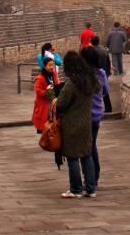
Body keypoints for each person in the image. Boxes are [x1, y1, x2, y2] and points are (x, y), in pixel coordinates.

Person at [55, 51, 99, 198]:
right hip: (86, 122)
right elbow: (99, 89)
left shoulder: (71, 84)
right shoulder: (90, 80)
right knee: (86, 155)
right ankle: (91, 188)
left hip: (71, 124)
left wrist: (55, 100)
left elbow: (61, 105)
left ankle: (75, 189)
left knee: (73, 157)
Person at [80, 47, 109, 185]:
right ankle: (94, 176)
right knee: (92, 146)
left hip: (85, 116)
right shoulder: (101, 73)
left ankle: (90, 179)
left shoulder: (82, 75)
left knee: (86, 148)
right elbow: (105, 91)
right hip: (97, 114)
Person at [32, 56, 56, 133]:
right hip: (43, 106)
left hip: (52, 105)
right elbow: (38, 91)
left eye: (53, 65)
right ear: (45, 66)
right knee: (44, 129)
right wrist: (47, 92)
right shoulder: (40, 78)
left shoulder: (54, 75)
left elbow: (57, 84)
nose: (52, 67)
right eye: (50, 65)